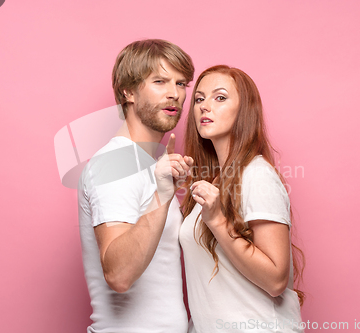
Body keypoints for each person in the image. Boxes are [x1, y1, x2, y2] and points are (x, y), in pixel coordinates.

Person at [77, 39, 195, 333]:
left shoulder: (145, 164)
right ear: (128, 91)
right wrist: (162, 196)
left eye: (181, 83)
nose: (174, 94)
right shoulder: (115, 163)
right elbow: (118, 275)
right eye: (160, 81)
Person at [180, 65, 305, 333]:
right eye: (199, 98)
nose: (204, 106)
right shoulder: (213, 181)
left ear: (244, 111)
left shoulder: (257, 175)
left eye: (220, 97)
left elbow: (275, 280)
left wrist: (217, 222)